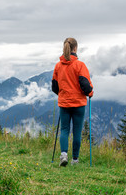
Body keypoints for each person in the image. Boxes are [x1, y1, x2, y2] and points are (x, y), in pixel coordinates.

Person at [52, 38, 94, 166]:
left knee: (64, 130)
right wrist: (90, 93)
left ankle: (63, 154)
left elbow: (54, 87)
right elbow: (86, 86)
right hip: (78, 104)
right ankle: (75, 160)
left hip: (64, 103)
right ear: (75, 48)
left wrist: (63, 94)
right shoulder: (80, 65)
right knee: (77, 131)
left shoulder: (58, 66)